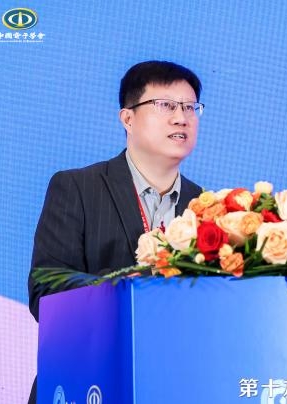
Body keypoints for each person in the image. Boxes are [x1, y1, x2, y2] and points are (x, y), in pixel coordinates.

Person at [27, 60, 204, 403]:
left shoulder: (207, 208)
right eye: (165, 105)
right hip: (84, 385)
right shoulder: (78, 188)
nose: (181, 118)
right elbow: (46, 292)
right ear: (128, 118)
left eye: (190, 107)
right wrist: (133, 285)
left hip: (170, 387)